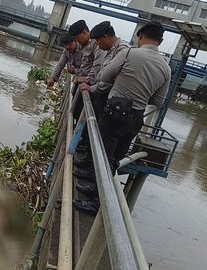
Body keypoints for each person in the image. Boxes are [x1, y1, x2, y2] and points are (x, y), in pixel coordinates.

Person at [73, 21, 171, 215]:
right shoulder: (166, 68)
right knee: (115, 159)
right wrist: (139, 96)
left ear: (140, 35)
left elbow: (104, 75)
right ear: (160, 41)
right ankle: (96, 191)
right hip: (136, 117)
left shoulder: (128, 53)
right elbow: (158, 100)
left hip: (115, 113)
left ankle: (96, 203)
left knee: (102, 157)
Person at [73, 21, 131, 182]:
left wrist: (92, 88)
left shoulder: (123, 51)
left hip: (111, 99)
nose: (97, 44)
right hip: (104, 95)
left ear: (106, 37)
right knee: (97, 130)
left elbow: (108, 78)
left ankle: (94, 182)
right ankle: (88, 166)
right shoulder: (112, 50)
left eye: (98, 41)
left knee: (104, 140)